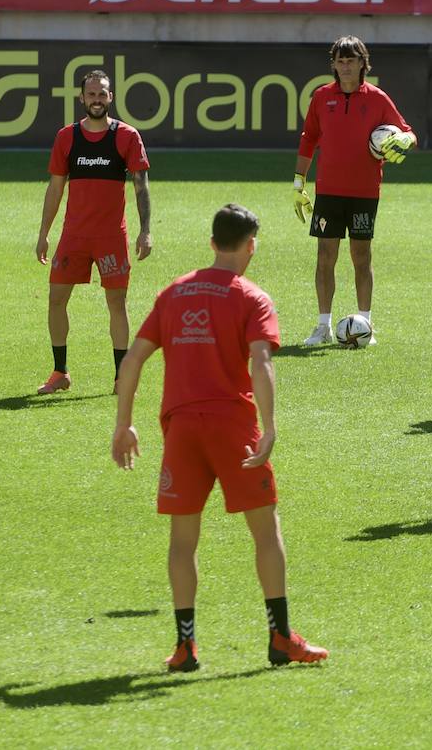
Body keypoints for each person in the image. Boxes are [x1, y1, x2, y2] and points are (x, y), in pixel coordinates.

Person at [111, 204, 328, 671]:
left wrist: (123, 423)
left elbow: (131, 361)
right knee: (265, 534)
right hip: (234, 429)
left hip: (182, 429)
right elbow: (261, 363)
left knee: (182, 540)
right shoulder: (253, 298)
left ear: (212, 243)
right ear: (252, 244)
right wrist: (269, 427)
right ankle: (280, 637)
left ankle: (185, 645)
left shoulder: (173, 293)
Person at [35, 69, 152, 394]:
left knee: (117, 303)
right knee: (56, 300)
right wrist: (45, 233)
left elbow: (141, 186)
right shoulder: (66, 137)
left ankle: (120, 376)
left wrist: (145, 231)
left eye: (102, 94)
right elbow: (55, 188)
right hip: (74, 237)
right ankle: (60, 373)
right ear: (82, 98)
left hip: (111, 237)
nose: (97, 99)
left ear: (110, 97)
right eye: (91, 94)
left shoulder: (127, 136)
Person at [294, 36, 417, 345]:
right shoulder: (322, 97)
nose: (345, 66)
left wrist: (405, 141)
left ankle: (366, 324)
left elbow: (408, 133)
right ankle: (323, 326)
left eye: (351, 60)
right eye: (340, 60)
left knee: (361, 257)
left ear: (363, 63)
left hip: (365, 192)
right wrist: (299, 182)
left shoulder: (377, 98)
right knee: (325, 256)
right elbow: (309, 138)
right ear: (333, 64)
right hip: (329, 191)